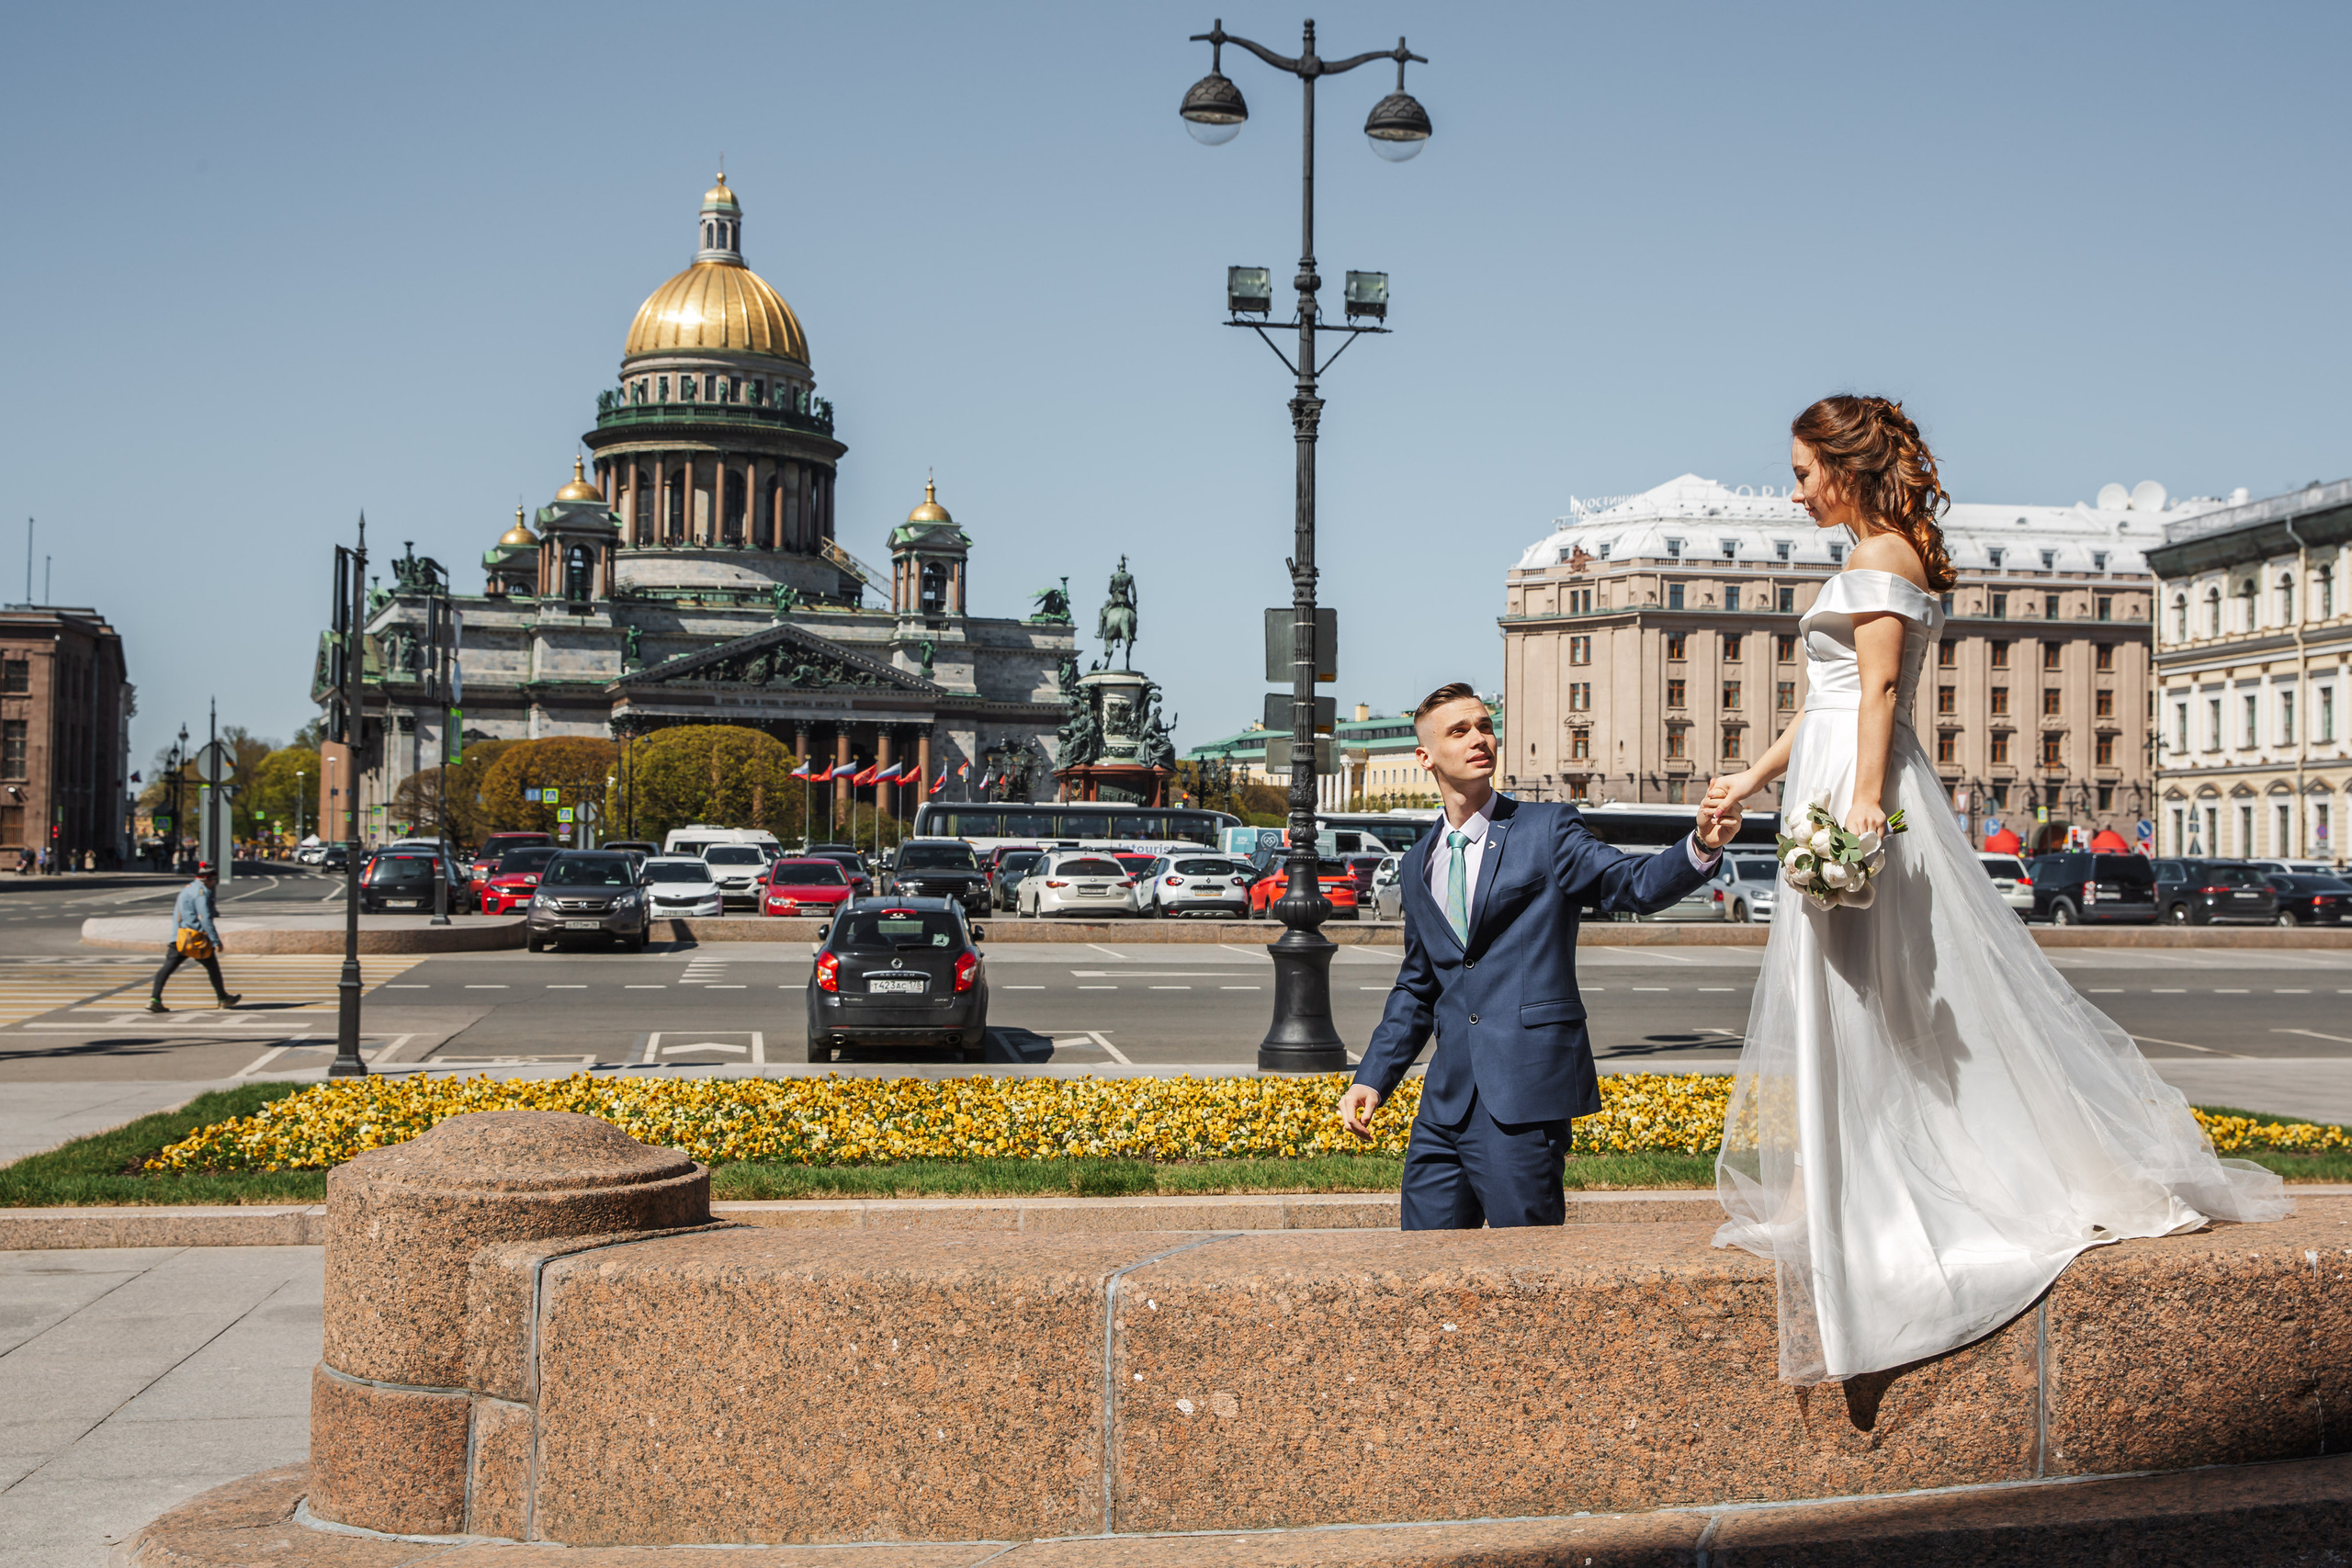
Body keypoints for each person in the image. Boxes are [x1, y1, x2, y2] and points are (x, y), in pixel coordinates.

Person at [1704, 395, 2290, 1385]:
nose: (1793, 489)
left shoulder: (1880, 560)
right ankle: (1824, 1190)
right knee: (1834, 993)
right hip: (1835, 777)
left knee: (1862, 996)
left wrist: (1855, 817)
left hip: (1864, 790)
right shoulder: (1866, 558)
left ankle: (1857, 1198)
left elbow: (1880, 698)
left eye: (1804, 471)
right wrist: (1749, 781)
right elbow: (1825, 703)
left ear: (1847, 467)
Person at [1339, 682, 1744, 1228]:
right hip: (1442, 1105)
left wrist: (1700, 846)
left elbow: (1630, 882)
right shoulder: (1418, 863)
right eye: (1459, 731)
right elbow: (1418, 986)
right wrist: (1372, 1077)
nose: (1479, 738)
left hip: (1524, 1098)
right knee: (1421, 1271)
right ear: (1425, 756)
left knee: (1528, 1279)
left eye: (1484, 726)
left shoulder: (1545, 830)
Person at [148, 862, 241, 1012]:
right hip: (194, 938)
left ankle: (154, 999)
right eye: (213, 880)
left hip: (178, 937)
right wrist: (215, 940)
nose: (214, 883)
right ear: (208, 879)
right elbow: (205, 918)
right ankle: (223, 998)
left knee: (167, 968)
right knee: (213, 968)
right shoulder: (201, 892)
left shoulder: (188, 889)